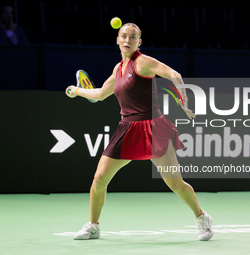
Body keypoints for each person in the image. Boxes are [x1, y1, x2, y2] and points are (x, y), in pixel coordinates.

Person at [65, 23, 213, 242]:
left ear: (139, 42)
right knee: (99, 179)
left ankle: (202, 217)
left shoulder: (142, 62)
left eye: (132, 37)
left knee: (174, 183)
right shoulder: (118, 69)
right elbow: (100, 94)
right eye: (123, 36)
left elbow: (174, 74)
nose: (127, 40)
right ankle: (94, 226)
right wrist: (76, 90)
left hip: (153, 128)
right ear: (117, 39)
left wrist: (184, 99)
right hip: (127, 128)